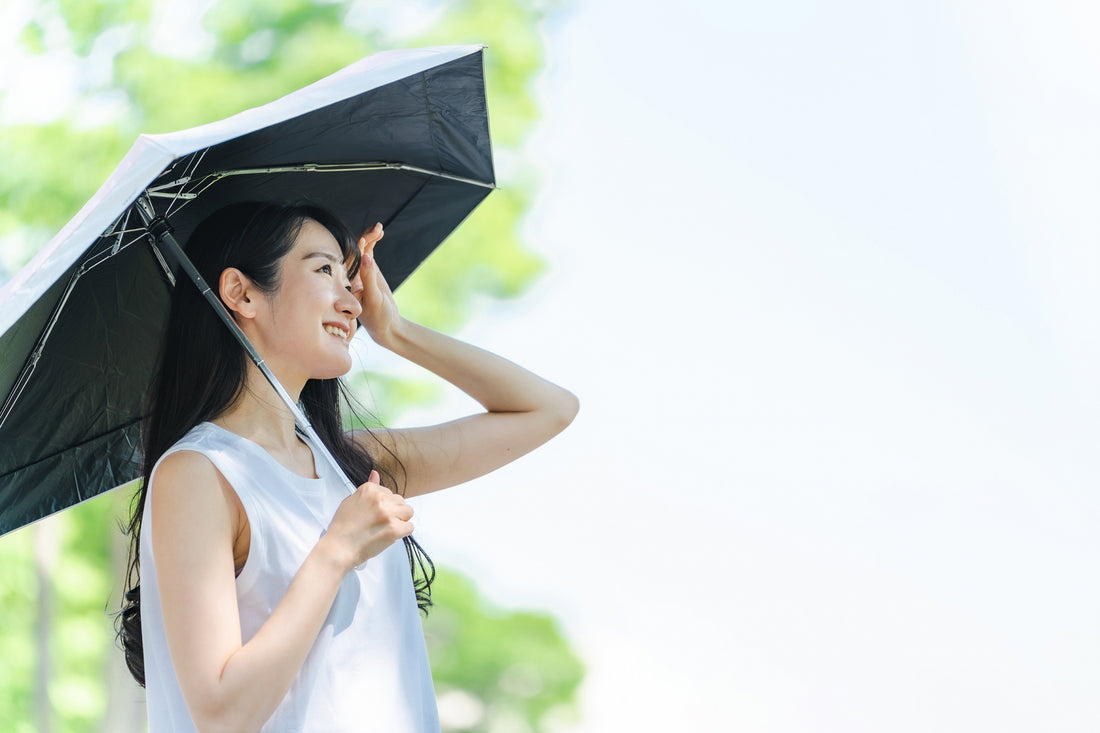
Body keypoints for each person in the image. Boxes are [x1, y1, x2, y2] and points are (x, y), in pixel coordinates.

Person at [117, 201, 578, 732]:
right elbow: (222, 715)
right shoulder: (199, 473)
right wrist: (336, 551)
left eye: (348, 277)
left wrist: (398, 332)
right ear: (241, 293)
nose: (353, 302)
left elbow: (548, 409)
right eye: (323, 270)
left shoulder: (349, 464)